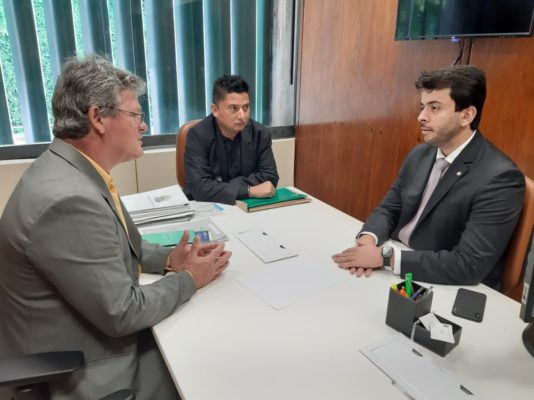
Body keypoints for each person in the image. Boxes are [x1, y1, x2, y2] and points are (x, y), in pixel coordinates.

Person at [0, 56, 231, 400]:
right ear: (98, 118)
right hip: (81, 369)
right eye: (136, 115)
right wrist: (190, 279)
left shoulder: (74, 170)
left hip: (80, 337)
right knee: (213, 372)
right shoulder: (68, 200)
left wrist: (171, 260)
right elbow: (124, 312)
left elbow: (127, 246)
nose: (145, 126)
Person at [333, 65, 525, 287]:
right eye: (423, 107)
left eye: (435, 108)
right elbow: (389, 209)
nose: (421, 117)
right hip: (393, 264)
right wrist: (368, 241)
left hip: (438, 281)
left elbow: (469, 264)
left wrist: (384, 258)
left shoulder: (500, 177)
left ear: (466, 115)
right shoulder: (421, 154)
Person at [183, 74, 279, 204]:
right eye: (234, 108)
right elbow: (200, 188)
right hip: (209, 206)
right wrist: (249, 190)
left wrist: (222, 186)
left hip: (248, 207)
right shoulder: (197, 135)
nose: (242, 116)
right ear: (215, 110)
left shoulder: (260, 133)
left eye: (246, 107)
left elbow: (270, 176)